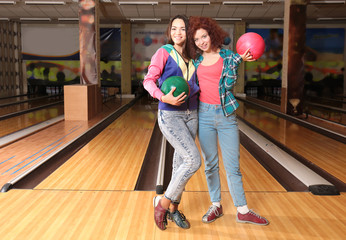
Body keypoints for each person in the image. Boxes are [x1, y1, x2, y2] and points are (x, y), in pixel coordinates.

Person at [188, 16, 269, 226]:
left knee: (232, 166)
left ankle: (242, 210)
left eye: (204, 36)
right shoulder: (195, 61)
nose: (201, 42)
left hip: (226, 116)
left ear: (211, 34)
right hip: (204, 115)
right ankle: (216, 205)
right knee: (210, 165)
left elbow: (239, 62)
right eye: (197, 39)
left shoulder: (229, 56)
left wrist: (243, 57)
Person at [143, 15, 201, 230]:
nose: (178, 32)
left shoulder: (195, 58)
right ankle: (162, 204)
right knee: (193, 160)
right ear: (170, 32)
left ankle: (174, 210)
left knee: (180, 166)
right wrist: (161, 96)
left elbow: (197, 85)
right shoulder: (163, 53)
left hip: (192, 114)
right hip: (170, 115)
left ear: (189, 32)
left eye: (183, 29)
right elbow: (148, 80)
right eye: (174, 28)